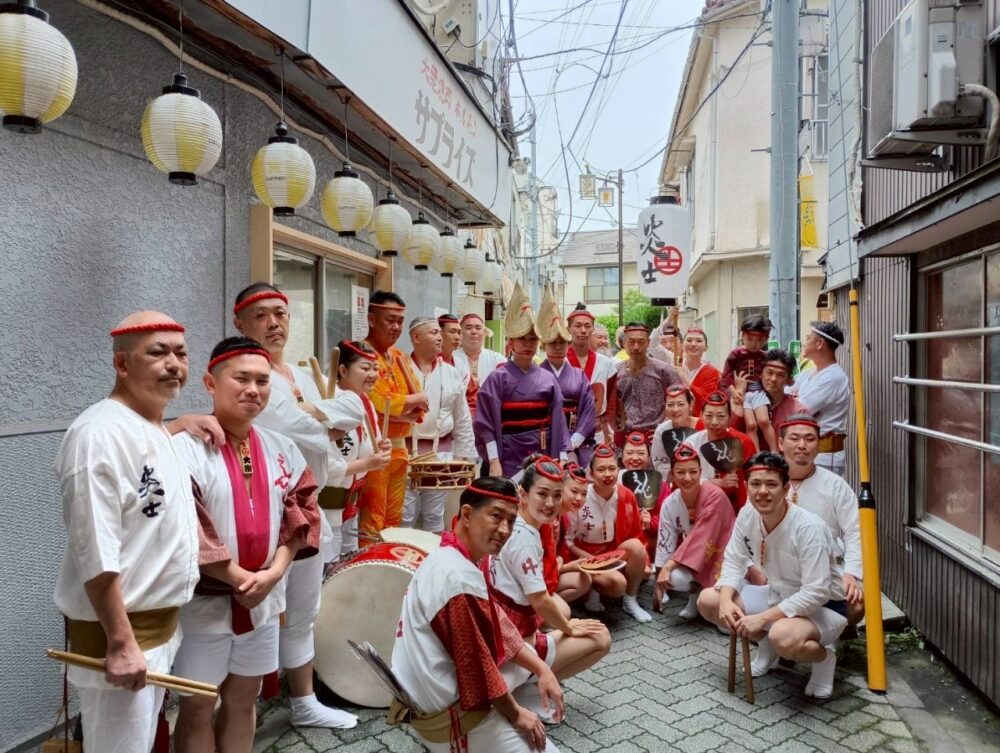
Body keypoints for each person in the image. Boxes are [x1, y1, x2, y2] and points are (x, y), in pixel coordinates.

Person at [54, 312, 201, 753]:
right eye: (157, 353)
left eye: (181, 353)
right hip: (122, 636)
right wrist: (120, 642)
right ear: (122, 364)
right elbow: (95, 549)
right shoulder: (98, 434)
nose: (173, 363)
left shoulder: (154, 426)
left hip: (159, 630)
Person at [172, 337, 320, 753]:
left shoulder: (281, 448)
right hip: (204, 604)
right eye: (241, 379)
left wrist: (275, 572)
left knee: (243, 698)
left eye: (263, 380)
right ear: (210, 383)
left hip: (264, 600)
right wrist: (237, 576)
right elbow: (183, 523)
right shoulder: (183, 449)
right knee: (197, 706)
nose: (253, 389)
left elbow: (302, 511)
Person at [232, 282, 357, 728]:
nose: (273, 323)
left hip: (311, 503)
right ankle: (245, 709)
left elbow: (355, 407)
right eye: (261, 315)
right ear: (240, 323)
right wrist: (327, 419)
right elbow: (295, 426)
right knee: (266, 608)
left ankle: (303, 701)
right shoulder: (248, 375)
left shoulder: (302, 375)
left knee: (304, 608)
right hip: (266, 509)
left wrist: (323, 415)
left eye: (280, 314)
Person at [390, 477, 565, 753]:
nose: (504, 530)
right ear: (467, 514)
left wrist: (543, 669)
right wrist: (517, 714)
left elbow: (501, 628)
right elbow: (477, 671)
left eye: (511, 520)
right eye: (496, 516)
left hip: (433, 699)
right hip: (453, 719)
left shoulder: (448, 554)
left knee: (531, 655)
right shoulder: (457, 578)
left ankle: (526, 696)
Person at [697, 452, 848, 699]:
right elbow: (734, 560)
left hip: (824, 607)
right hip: (776, 594)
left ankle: (824, 659)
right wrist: (725, 600)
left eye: (771, 484)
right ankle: (766, 646)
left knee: (783, 636)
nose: (762, 492)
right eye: (755, 484)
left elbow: (816, 592)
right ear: (747, 486)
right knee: (708, 600)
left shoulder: (809, 527)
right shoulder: (748, 513)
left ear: (786, 488)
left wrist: (763, 618)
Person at [488, 458, 611, 679]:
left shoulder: (514, 523)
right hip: (513, 646)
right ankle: (531, 683)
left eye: (556, 495)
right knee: (601, 637)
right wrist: (569, 628)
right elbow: (540, 600)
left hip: (504, 631)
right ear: (523, 494)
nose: (550, 503)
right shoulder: (524, 538)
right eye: (542, 494)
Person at [475, 282, 569, 477]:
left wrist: (562, 457)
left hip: (542, 452)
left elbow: (559, 422)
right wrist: (494, 461)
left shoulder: (548, 379)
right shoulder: (497, 378)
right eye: (522, 339)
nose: (528, 344)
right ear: (511, 342)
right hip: (507, 455)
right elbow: (485, 425)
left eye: (533, 339)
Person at [779, 414, 864, 625]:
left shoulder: (835, 485)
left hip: (825, 567)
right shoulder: (767, 481)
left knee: (856, 605)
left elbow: (856, 530)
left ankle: (823, 628)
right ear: (781, 443)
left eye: (809, 439)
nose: (802, 445)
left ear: (818, 446)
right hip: (778, 567)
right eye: (794, 438)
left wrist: (851, 573)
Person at [359, 291, 430, 541]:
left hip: (401, 448)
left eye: (400, 321)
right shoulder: (362, 354)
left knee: (394, 520)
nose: (396, 327)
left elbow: (421, 406)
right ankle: (369, 562)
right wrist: (409, 404)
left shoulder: (399, 356)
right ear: (371, 319)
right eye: (390, 320)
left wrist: (403, 409)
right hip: (374, 448)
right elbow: (377, 401)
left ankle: (386, 559)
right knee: (373, 518)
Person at [404, 317, 476, 532]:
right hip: (405, 453)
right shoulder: (400, 369)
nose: (439, 337)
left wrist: (465, 456)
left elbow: (462, 417)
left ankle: (434, 553)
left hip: (440, 453)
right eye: (433, 333)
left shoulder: (452, 373)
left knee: (435, 515)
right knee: (403, 516)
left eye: (439, 332)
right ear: (416, 337)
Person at [566, 445, 651, 622]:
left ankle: (630, 600)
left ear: (618, 470)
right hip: (582, 554)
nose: (607, 474)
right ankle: (592, 588)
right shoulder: (581, 496)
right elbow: (568, 541)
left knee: (637, 547)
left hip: (612, 550)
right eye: (601, 469)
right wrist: (593, 561)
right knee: (617, 585)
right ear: (591, 473)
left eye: (612, 468)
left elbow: (636, 534)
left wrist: (644, 561)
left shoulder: (626, 495)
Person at [326, 340, 392, 557]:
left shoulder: (366, 403)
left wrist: (381, 447)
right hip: (328, 508)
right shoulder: (327, 402)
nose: (373, 374)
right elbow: (326, 466)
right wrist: (366, 464)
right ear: (343, 370)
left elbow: (371, 446)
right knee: (329, 566)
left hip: (352, 505)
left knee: (348, 564)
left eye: (375, 368)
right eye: (365, 368)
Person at [652, 446, 735, 618]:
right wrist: (659, 581)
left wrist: (669, 565)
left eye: (693, 472)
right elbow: (665, 543)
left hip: (723, 557)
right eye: (680, 472)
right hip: (694, 557)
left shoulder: (714, 495)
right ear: (672, 474)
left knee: (724, 628)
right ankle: (695, 596)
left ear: (701, 472)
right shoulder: (670, 503)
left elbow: (701, 536)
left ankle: (715, 600)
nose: (687, 478)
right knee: (673, 577)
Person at [538, 291, 596, 467]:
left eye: (562, 342)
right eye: (552, 343)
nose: (557, 347)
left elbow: (588, 409)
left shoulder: (579, 375)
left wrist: (575, 440)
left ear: (568, 344)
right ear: (544, 345)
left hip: (575, 438)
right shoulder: (536, 374)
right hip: (543, 440)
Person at [788, 321, 851, 476]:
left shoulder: (833, 377)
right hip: (806, 452)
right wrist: (793, 398)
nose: (804, 342)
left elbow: (799, 410)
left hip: (824, 456)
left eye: (808, 338)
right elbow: (784, 394)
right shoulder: (808, 373)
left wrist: (794, 399)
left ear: (820, 343)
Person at [682, 391, 756, 513]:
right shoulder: (691, 444)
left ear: (729, 417)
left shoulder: (743, 442)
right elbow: (683, 479)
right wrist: (716, 482)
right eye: (709, 416)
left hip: (737, 505)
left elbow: (753, 478)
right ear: (701, 415)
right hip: (700, 503)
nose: (714, 422)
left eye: (721, 416)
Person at [614, 321, 680, 446]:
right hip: (623, 437)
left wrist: (664, 427)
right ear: (624, 343)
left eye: (641, 342)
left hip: (655, 437)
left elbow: (681, 402)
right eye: (631, 342)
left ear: (648, 343)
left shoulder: (664, 370)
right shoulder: (615, 372)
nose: (636, 347)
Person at [730, 349, 807, 451]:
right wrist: (739, 396)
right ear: (760, 373)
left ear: (788, 379)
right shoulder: (744, 399)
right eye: (769, 372)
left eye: (780, 375)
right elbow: (731, 434)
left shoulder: (798, 411)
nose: (773, 379)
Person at [566, 303, 617, 446]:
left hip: (597, 432)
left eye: (587, 326)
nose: (583, 330)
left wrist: (609, 433)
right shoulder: (560, 363)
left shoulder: (606, 363)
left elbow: (611, 402)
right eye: (578, 326)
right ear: (568, 329)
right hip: (567, 431)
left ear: (592, 329)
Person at [720, 314, 774, 447]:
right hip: (741, 395)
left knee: (764, 421)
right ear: (742, 335)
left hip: (760, 392)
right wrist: (734, 392)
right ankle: (755, 453)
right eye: (750, 339)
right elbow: (726, 376)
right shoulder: (736, 354)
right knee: (751, 425)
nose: (754, 344)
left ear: (766, 339)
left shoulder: (766, 356)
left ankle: (774, 450)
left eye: (760, 340)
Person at [551, 463, 593, 605]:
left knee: (583, 580)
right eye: (574, 491)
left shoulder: (564, 517)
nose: (579, 498)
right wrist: (568, 567)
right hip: (534, 576)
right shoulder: (547, 518)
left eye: (584, 494)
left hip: (550, 570)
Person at [453, 312, 508, 418]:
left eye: (478, 328)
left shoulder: (497, 359)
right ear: (461, 332)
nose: (474, 332)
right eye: (468, 328)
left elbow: (507, 387)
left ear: (484, 333)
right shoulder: (451, 358)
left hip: (491, 415)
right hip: (458, 416)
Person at [650, 384, 701, 479]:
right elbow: (659, 463)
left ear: (690, 405)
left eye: (680, 404)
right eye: (670, 405)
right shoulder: (661, 430)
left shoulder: (702, 426)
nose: (675, 409)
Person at [674, 328, 720, 416]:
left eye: (698, 341)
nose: (693, 344)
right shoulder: (675, 366)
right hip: (676, 416)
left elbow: (707, 400)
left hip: (698, 419)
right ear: (682, 345)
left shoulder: (712, 372)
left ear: (706, 347)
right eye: (689, 340)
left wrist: (684, 378)